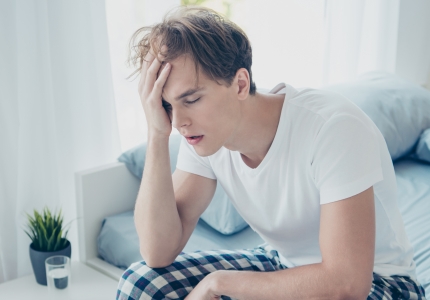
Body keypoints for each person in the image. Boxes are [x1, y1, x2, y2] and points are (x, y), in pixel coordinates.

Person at [116, 6, 426, 300]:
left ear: (240, 84)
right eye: (168, 105)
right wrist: (157, 134)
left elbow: (347, 285)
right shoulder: (200, 136)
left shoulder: (332, 128)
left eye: (192, 99)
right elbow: (158, 251)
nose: (179, 121)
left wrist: (219, 282)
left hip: (382, 284)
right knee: (142, 283)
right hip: (284, 263)